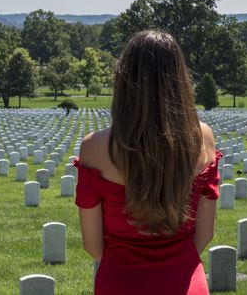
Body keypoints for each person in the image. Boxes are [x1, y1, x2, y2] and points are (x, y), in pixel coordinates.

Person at [73, 30, 222, 294]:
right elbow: (204, 235)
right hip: (185, 282)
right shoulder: (203, 138)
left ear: (124, 80)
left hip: (120, 283)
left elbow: (92, 246)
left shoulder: (95, 148)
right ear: (179, 79)